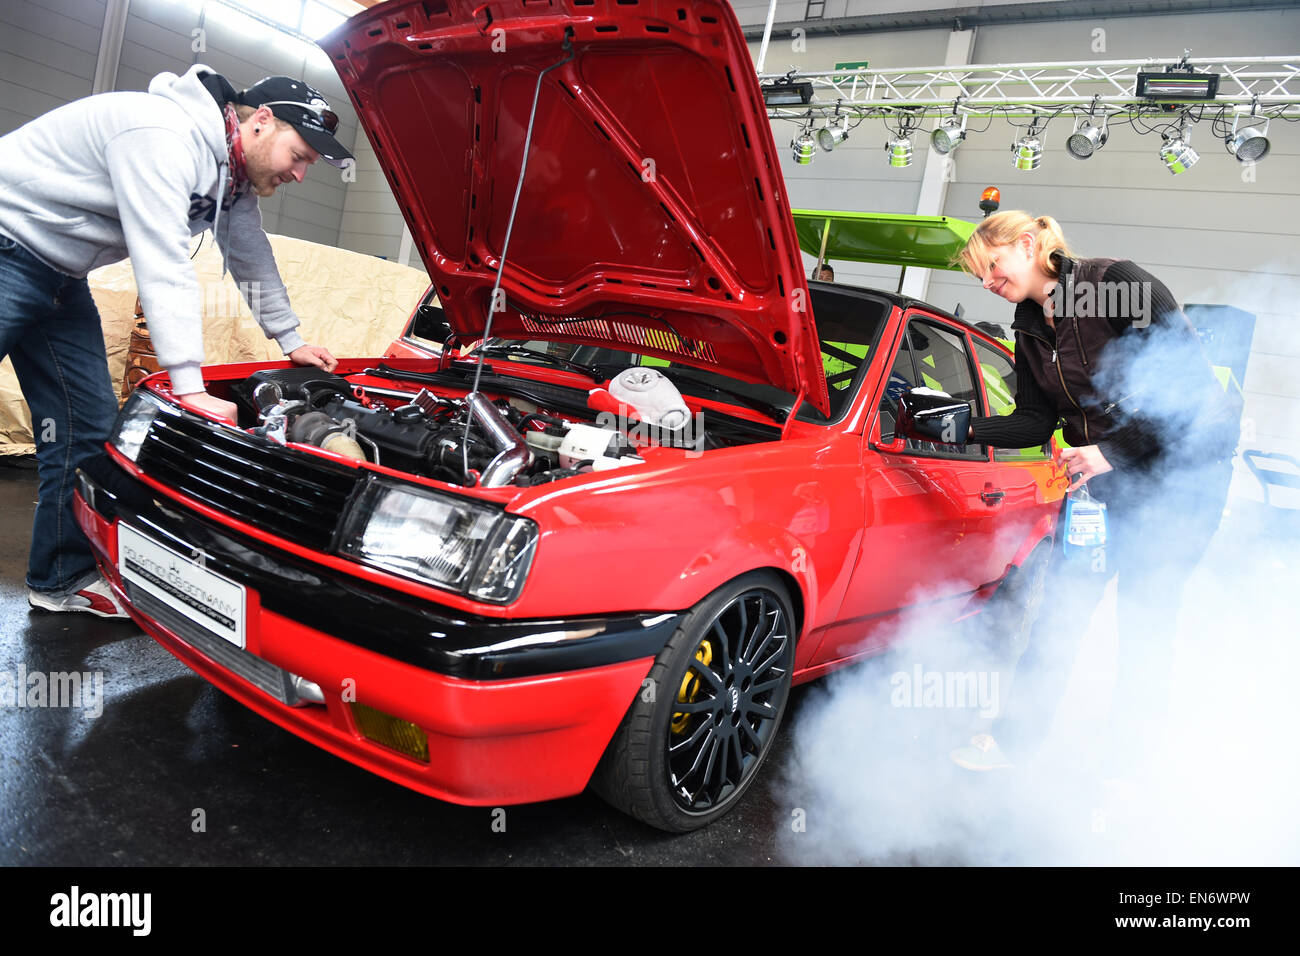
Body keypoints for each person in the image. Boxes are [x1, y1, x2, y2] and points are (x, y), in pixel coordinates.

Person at [0, 65, 353, 617]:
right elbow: (161, 259)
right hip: (7, 244)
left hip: (59, 280)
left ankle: (58, 579)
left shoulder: (230, 176)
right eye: (301, 154)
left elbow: (248, 255)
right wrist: (189, 385)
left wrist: (290, 340)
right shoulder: (162, 134)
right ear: (262, 121)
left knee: (86, 429)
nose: (301, 174)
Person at [946, 211, 1238, 775]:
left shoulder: (1114, 285)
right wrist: (960, 426)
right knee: (1061, 609)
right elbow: (1033, 422)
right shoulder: (1029, 323)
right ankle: (1016, 741)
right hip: (1105, 484)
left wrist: (1107, 453)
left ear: (1029, 244)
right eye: (979, 276)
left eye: (992, 266)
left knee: (1145, 617)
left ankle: (1131, 761)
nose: (987, 282)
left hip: (1180, 479)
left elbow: (1189, 393)